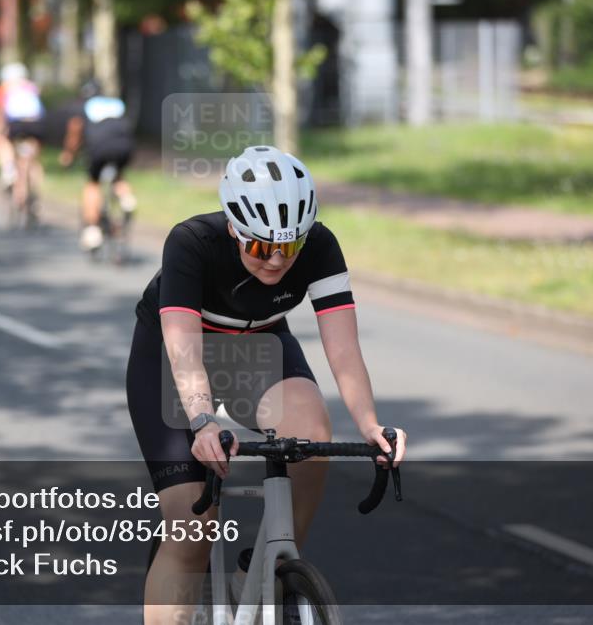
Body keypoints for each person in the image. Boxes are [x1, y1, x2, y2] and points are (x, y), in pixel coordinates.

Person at [125, 145, 408, 623]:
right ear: (235, 227)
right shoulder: (191, 242)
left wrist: (370, 424)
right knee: (191, 526)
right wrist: (202, 420)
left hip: (258, 348)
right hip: (174, 358)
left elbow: (342, 349)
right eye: (260, 246)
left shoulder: (320, 245)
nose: (276, 260)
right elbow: (183, 347)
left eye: (290, 246)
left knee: (313, 436)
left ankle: (263, 570)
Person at [59, 81, 137, 250]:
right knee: (118, 176)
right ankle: (126, 198)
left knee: (93, 184)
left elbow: (75, 131)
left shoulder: (84, 106)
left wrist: (68, 154)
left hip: (99, 146)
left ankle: (93, 230)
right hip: (124, 145)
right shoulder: (115, 103)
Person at [0, 63, 46, 220]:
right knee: (32, 160)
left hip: (16, 126)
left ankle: (8, 170)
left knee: (4, 142)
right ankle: (34, 192)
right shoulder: (32, 87)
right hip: (35, 126)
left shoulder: (3, 89)